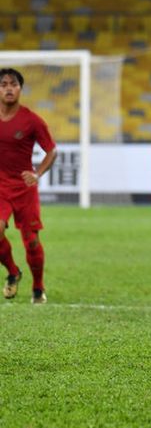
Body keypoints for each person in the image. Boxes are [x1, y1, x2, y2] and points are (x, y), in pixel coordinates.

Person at [0, 68, 57, 304]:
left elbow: (51, 151)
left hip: (24, 188)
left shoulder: (31, 120)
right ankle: (13, 272)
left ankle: (38, 287)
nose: (9, 88)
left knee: (31, 241)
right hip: (0, 186)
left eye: (13, 84)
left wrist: (38, 173)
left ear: (20, 89)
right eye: (3, 84)